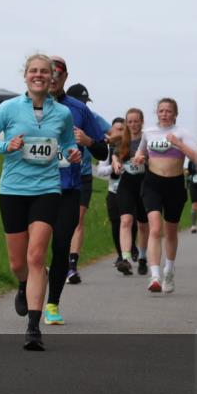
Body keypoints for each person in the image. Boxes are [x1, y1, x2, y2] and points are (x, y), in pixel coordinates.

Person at [0, 53, 79, 350]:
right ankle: (23, 284)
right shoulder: (8, 108)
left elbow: (69, 145)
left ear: (52, 78)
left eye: (44, 72)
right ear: (25, 76)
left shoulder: (62, 114)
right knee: (17, 262)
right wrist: (8, 145)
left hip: (47, 189)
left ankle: (33, 328)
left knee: (36, 257)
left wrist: (72, 154)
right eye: (33, 71)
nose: (39, 75)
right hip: (12, 191)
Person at [41, 61, 106, 324]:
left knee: (59, 247)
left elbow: (103, 150)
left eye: (58, 74)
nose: (53, 78)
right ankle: (25, 285)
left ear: (65, 76)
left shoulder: (79, 110)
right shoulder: (24, 107)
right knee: (32, 250)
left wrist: (88, 141)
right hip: (32, 188)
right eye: (48, 73)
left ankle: (52, 304)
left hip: (67, 189)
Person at [134, 98, 197, 294]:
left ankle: (169, 271)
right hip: (152, 183)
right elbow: (140, 155)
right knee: (155, 228)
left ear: (175, 114)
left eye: (168, 111)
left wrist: (179, 144)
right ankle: (155, 275)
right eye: (161, 110)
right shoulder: (148, 132)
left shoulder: (182, 133)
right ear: (157, 113)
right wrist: (139, 158)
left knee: (170, 233)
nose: (164, 114)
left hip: (174, 185)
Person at [64, 82, 112, 285]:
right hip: (54, 175)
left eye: (85, 102)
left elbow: (115, 133)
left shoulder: (89, 116)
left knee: (78, 219)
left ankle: (72, 266)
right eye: (80, 102)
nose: (83, 105)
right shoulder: (58, 113)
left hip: (82, 176)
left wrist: (93, 140)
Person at [112, 108, 150, 276]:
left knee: (143, 225)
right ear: (126, 123)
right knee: (126, 220)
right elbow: (114, 155)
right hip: (126, 184)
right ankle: (125, 259)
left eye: (136, 121)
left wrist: (146, 160)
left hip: (145, 184)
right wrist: (116, 163)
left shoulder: (147, 139)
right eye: (130, 121)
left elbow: (157, 158)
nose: (133, 124)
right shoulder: (122, 140)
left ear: (142, 122)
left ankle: (142, 257)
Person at [96, 118, 138, 261]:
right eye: (116, 129)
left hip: (131, 191)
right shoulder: (108, 149)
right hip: (113, 191)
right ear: (111, 131)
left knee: (131, 222)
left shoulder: (132, 146)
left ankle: (132, 246)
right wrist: (113, 167)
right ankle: (121, 256)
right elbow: (100, 171)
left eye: (122, 129)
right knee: (116, 224)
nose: (119, 132)